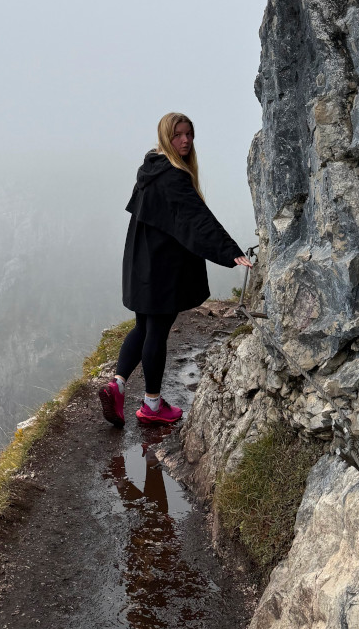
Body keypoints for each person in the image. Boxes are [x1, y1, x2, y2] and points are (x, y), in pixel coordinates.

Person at [98, 112, 252, 427]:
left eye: (188, 134)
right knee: (156, 331)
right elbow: (197, 218)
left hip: (142, 261)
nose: (185, 140)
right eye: (177, 135)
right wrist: (230, 252)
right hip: (161, 266)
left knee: (143, 327)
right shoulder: (173, 176)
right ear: (166, 138)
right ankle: (152, 405)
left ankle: (117, 384)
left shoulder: (150, 169)